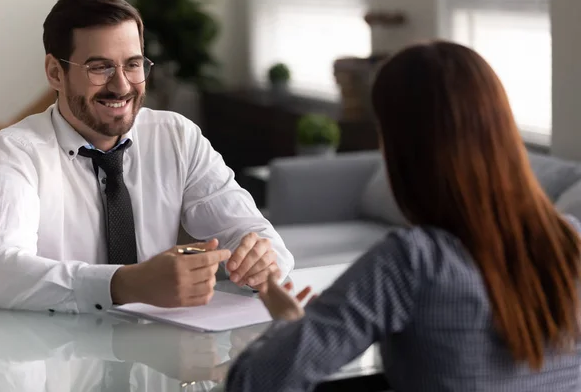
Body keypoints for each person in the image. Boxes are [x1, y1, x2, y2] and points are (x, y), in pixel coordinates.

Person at [224, 41, 581, 391]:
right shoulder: (573, 242)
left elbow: (255, 381)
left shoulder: (414, 262)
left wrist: (290, 323)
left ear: (403, 149)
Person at [0, 0, 294, 314]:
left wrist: (262, 260)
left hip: (160, 348)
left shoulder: (177, 137)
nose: (122, 86)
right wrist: (125, 284)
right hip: (53, 353)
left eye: (133, 64)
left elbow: (249, 230)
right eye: (99, 67)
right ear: (55, 73)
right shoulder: (11, 153)